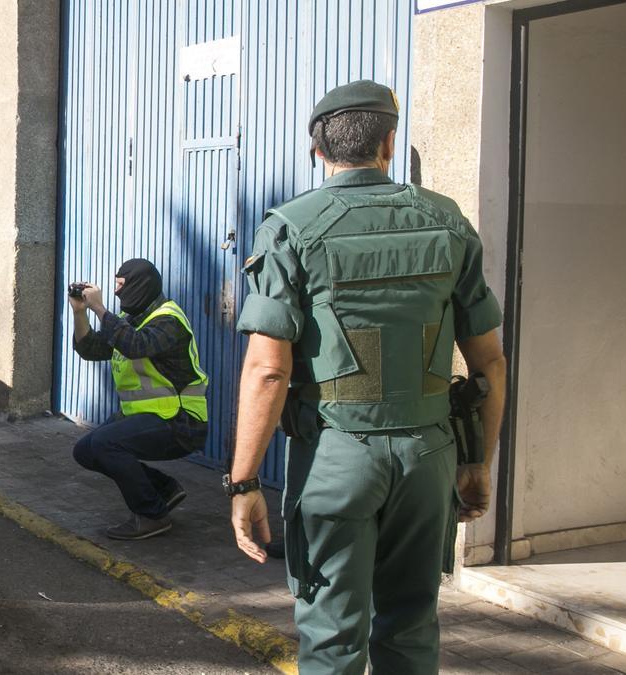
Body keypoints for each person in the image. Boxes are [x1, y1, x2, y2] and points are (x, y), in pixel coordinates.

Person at [227, 80, 507, 674]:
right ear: (389, 143)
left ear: (318, 152)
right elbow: (489, 362)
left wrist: (243, 483)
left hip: (336, 456)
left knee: (332, 636)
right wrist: (478, 461)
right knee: (411, 626)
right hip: (428, 453)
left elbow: (268, 369)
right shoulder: (446, 220)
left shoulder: (290, 229)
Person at [68, 259, 209, 540]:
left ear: (140, 286)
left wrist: (100, 309)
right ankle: (164, 489)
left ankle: (152, 515)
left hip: (181, 421)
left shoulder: (169, 320)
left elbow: (136, 346)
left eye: (122, 286)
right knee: (85, 450)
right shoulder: (133, 321)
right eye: (116, 286)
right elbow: (90, 349)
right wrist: (80, 312)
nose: (117, 292)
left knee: (104, 444)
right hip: (147, 417)